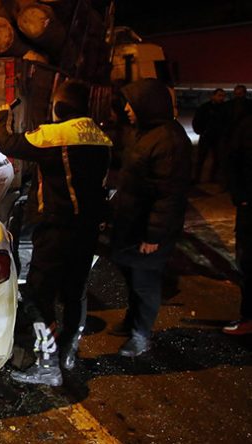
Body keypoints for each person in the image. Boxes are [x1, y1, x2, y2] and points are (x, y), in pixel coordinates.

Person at [0, 80, 112, 386]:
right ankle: (67, 354)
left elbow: (7, 144)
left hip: (56, 230)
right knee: (75, 293)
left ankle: (47, 366)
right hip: (87, 230)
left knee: (37, 294)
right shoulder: (101, 136)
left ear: (61, 108)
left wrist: (1, 118)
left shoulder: (55, 133)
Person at [110, 78, 192, 357]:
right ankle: (133, 321)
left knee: (145, 282)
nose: (127, 109)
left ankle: (141, 335)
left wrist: (153, 236)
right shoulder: (143, 132)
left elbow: (168, 196)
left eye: (131, 104)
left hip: (150, 230)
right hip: (133, 223)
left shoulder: (168, 139)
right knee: (132, 276)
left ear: (148, 104)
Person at [224, 114, 252, 335]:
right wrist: (240, 196)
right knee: (248, 263)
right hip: (249, 209)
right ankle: (249, 318)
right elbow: (233, 159)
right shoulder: (247, 125)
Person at [191, 88, 226, 183]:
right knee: (201, 158)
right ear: (213, 96)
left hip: (217, 137)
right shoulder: (204, 108)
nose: (221, 98)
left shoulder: (225, 108)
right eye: (219, 95)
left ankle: (212, 178)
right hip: (206, 136)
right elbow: (197, 120)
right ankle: (197, 178)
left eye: (223, 96)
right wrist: (200, 131)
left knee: (217, 159)